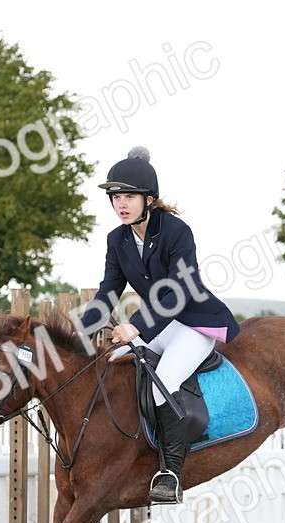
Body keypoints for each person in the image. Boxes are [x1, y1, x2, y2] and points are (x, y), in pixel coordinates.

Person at [80, 147, 239, 504]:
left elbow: (180, 289)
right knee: (113, 364)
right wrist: (83, 329)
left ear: (149, 199)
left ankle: (170, 471)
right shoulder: (116, 239)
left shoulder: (176, 232)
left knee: (161, 383)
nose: (121, 204)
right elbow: (109, 289)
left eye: (129, 197)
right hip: (161, 323)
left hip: (195, 322)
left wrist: (135, 327)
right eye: (115, 197)